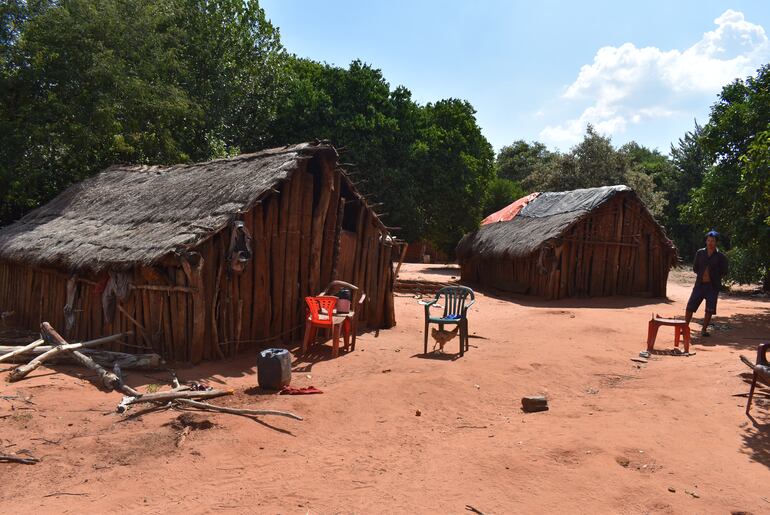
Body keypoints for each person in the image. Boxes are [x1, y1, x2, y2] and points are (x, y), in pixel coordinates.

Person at [685, 231, 728, 336]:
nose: (710, 243)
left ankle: (704, 330)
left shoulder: (720, 256)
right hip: (699, 285)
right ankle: (685, 328)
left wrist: (714, 277)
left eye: (712, 241)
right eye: (708, 240)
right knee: (690, 306)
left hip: (712, 287)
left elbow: (724, 271)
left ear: (716, 242)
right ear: (706, 241)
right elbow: (695, 268)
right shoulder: (700, 253)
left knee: (709, 309)